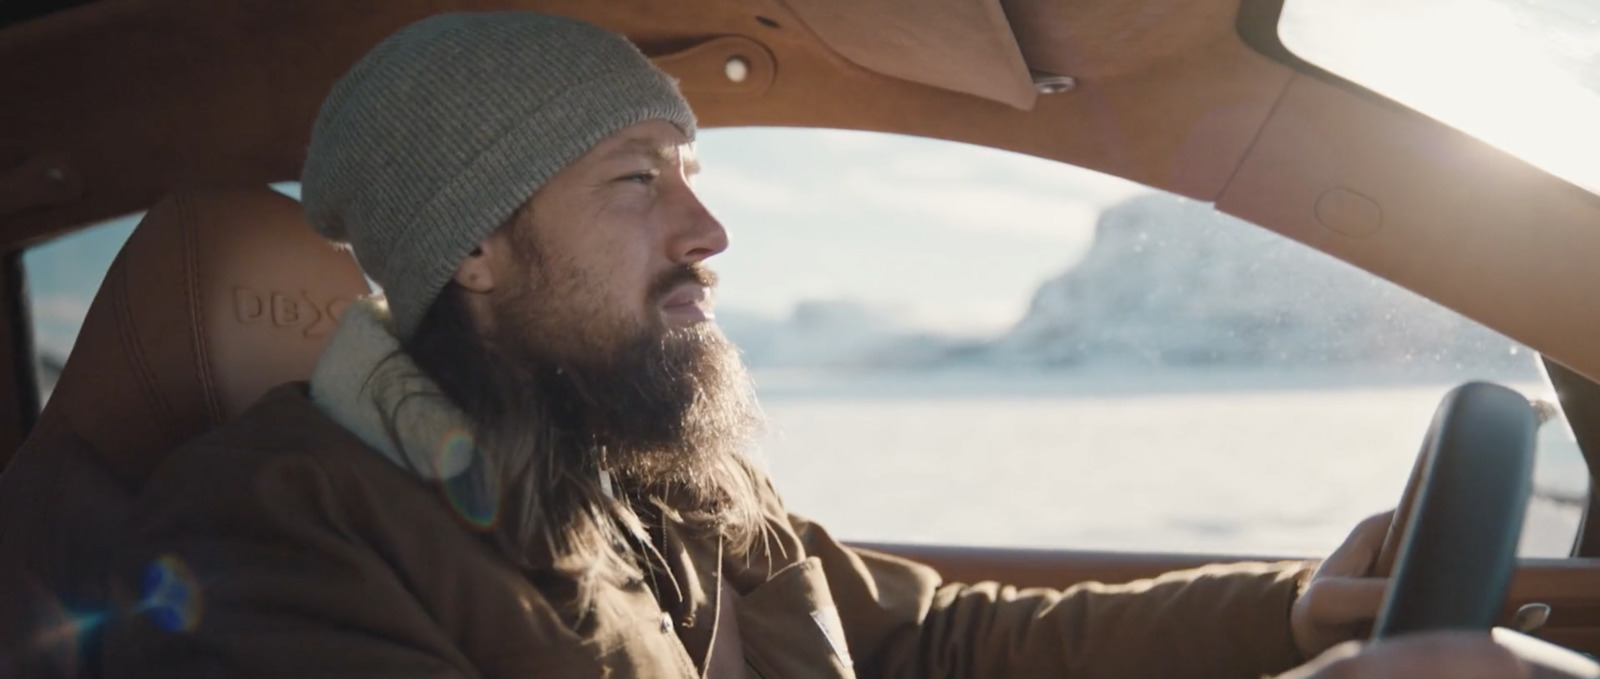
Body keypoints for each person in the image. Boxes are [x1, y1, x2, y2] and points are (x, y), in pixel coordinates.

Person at [99, 12, 1528, 678]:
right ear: (474, 245)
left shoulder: (649, 475)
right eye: (636, 182)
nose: (708, 233)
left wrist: (1289, 619)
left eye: (694, 171)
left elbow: (937, 643)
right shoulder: (276, 536)